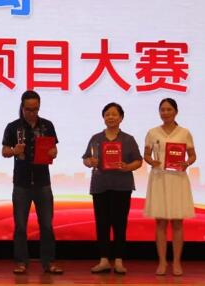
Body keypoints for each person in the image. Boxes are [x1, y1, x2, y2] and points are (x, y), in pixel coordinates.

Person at [1, 90, 63, 275]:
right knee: (20, 226)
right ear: (22, 107)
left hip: (43, 182)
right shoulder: (13, 127)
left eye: (35, 109)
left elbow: (53, 149)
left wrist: (53, 153)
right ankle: (21, 262)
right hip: (21, 183)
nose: (32, 113)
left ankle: (48, 262)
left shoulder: (47, 125)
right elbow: (4, 151)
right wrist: (14, 151)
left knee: (47, 225)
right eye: (28, 109)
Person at [82, 102, 142, 275]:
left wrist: (127, 167)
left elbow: (138, 161)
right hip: (100, 186)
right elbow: (86, 159)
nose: (111, 117)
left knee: (119, 224)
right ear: (103, 117)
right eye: (107, 114)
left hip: (122, 186)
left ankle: (119, 261)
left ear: (121, 118)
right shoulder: (96, 138)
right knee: (102, 223)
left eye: (114, 114)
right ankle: (103, 260)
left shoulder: (128, 139)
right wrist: (89, 162)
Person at [143, 98, 196, 276]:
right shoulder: (152, 132)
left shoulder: (184, 133)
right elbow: (146, 155)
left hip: (177, 179)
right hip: (159, 178)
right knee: (160, 222)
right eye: (162, 110)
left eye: (169, 109)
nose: (165, 113)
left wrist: (186, 163)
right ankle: (162, 262)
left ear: (176, 111)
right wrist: (151, 161)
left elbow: (192, 155)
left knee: (177, 222)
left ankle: (177, 262)